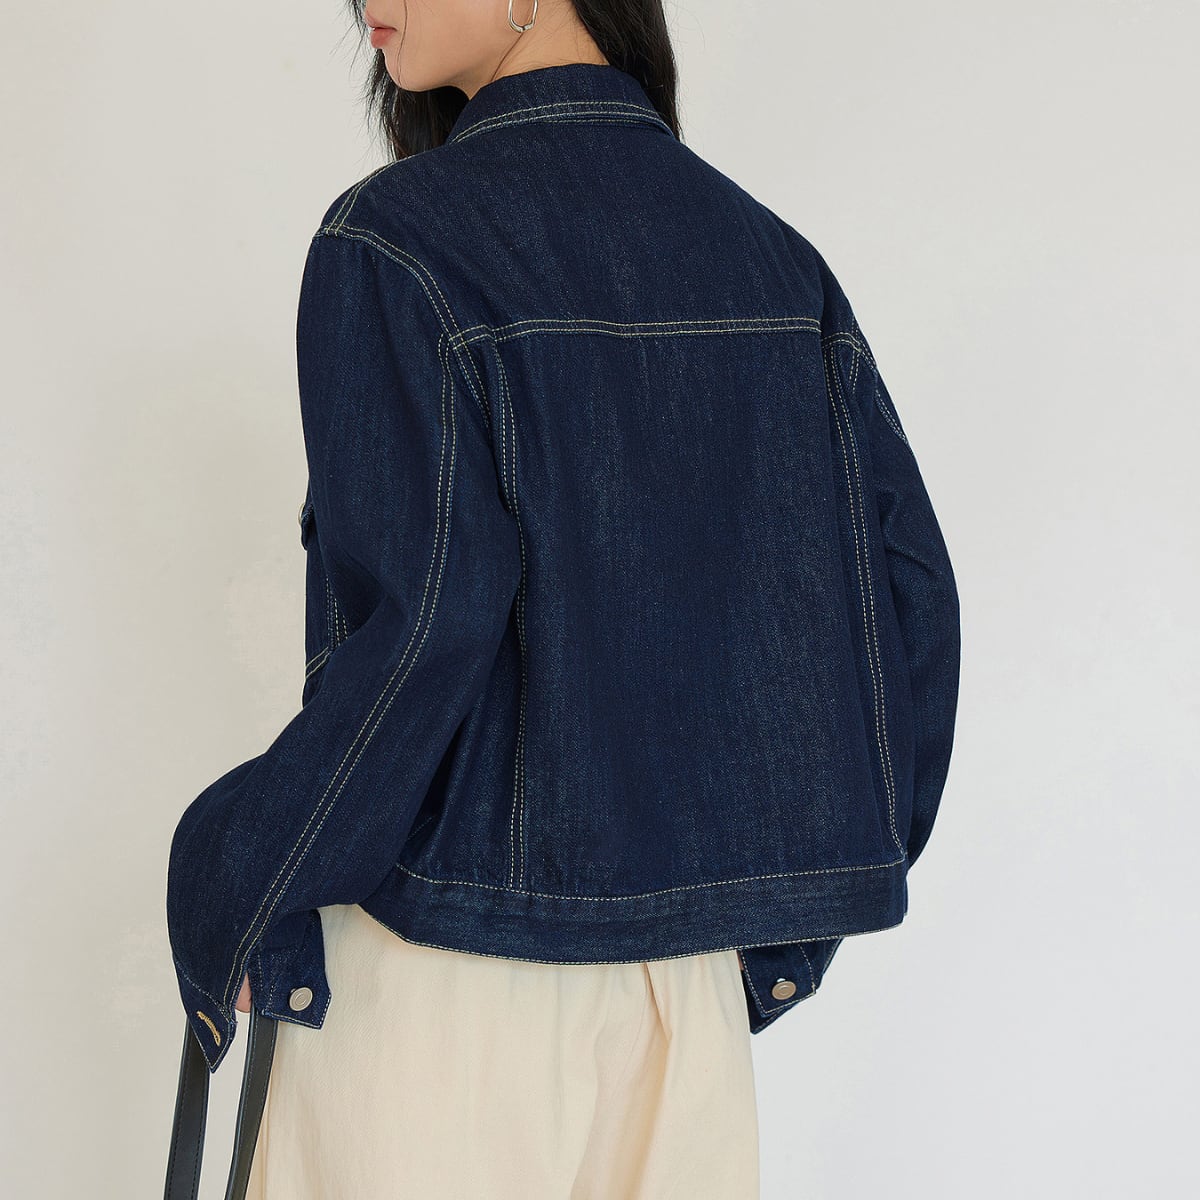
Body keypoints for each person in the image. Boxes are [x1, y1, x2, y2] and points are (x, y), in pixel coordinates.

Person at [165, 1, 961, 1196]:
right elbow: (908, 608)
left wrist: (238, 878)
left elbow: (429, 620)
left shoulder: (398, 240)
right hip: (679, 1004)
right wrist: (781, 920)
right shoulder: (776, 262)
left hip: (438, 994)